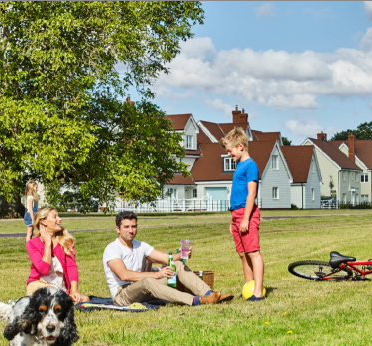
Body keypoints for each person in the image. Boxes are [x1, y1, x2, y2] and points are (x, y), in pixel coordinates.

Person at [103, 211, 232, 306]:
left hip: (142, 288)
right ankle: (195, 301)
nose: (131, 230)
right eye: (126, 227)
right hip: (122, 295)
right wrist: (157, 274)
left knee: (177, 265)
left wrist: (181, 255)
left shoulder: (140, 245)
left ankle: (209, 295)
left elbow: (166, 258)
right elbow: (124, 275)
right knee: (148, 280)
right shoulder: (112, 248)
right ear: (117, 229)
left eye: (133, 226)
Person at [221, 127, 265, 301]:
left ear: (240, 146)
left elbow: (251, 194)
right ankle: (249, 286)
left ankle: (258, 292)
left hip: (247, 214)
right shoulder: (239, 166)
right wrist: (234, 221)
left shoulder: (251, 166)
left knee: (253, 252)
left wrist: (246, 218)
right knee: (243, 253)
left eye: (230, 151)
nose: (229, 155)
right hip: (236, 215)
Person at [26, 207, 90, 302]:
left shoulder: (65, 241)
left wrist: (75, 291)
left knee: (85, 299)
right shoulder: (32, 244)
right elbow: (44, 269)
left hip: (59, 288)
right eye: (54, 217)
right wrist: (48, 244)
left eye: (58, 216)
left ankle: (63, 299)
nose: (59, 219)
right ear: (44, 221)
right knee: (52, 295)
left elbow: (71, 266)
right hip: (38, 284)